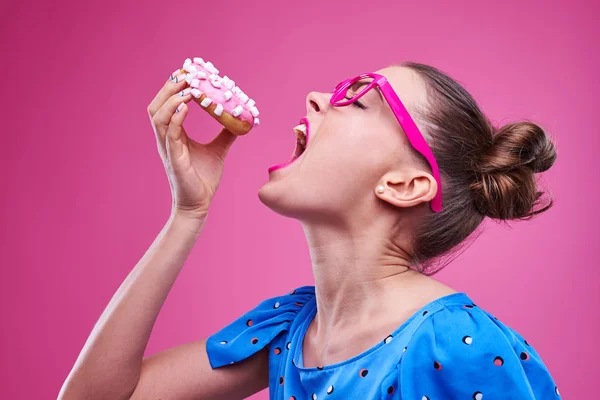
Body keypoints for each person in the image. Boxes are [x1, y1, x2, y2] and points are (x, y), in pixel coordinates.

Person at [59, 61, 560, 399]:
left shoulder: (456, 343)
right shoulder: (287, 331)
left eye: (359, 100)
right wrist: (187, 214)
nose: (318, 97)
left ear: (405, 184)